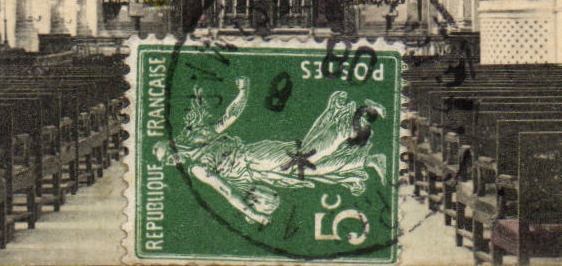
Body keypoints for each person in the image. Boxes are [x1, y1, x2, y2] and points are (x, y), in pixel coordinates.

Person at [154, 77, 388, 227]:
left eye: (166, 156)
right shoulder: (196, 167)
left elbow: (229, 118)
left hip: (253, 156)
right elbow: (229, 190)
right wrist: (254, 213)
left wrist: (243, 92)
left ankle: (358, 115)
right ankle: (366, 159)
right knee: (312, 169)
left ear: (171, 143)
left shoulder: (199, 140)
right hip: (257, 175)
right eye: (166, 163)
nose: (170, 162)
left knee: (306, 156)